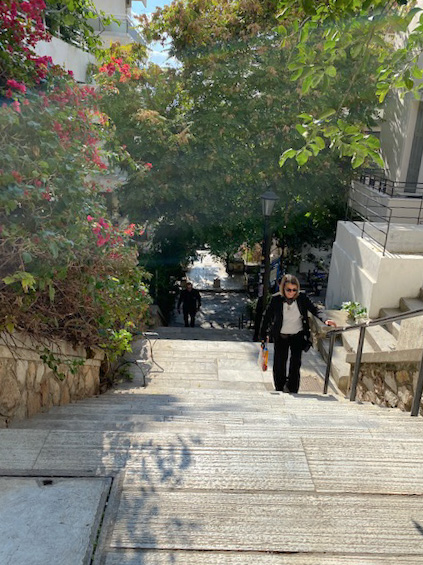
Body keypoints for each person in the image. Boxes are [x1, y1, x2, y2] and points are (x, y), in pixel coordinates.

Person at [260, 274, 336, 393]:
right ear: (283, 288)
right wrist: (263, 335)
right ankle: (280, 387)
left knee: (295, 363)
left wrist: (325, 319)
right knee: (280, 363)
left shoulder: (302, 298)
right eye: (288, 290)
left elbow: (315, 309)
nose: (291, 293)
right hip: (281, 335)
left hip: (297, 335)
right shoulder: (276, 299)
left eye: (294, 290)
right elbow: (267, 317)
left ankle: (292, 388)